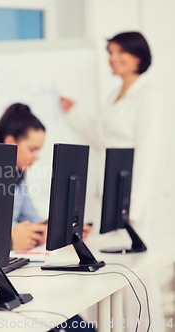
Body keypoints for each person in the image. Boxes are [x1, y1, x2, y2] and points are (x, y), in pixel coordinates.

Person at [60, 31, 166, 331]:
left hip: (131, 200)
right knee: (109, 270)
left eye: (120, 52)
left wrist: (132, 207)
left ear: (138, 57)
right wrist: (75, 112)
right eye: (110, 52)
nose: (113, 58)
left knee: (135, 273)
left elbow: (148, 152)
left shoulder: (149, 96)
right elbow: (104, 138)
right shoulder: (114, 95)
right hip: (105, 195)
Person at [0, 103, 91, 250]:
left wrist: (62, 228)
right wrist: (10, 239)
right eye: (32, 149)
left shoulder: (18, 177)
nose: (37, 157)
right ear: (10, 142)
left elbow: (32, 217)